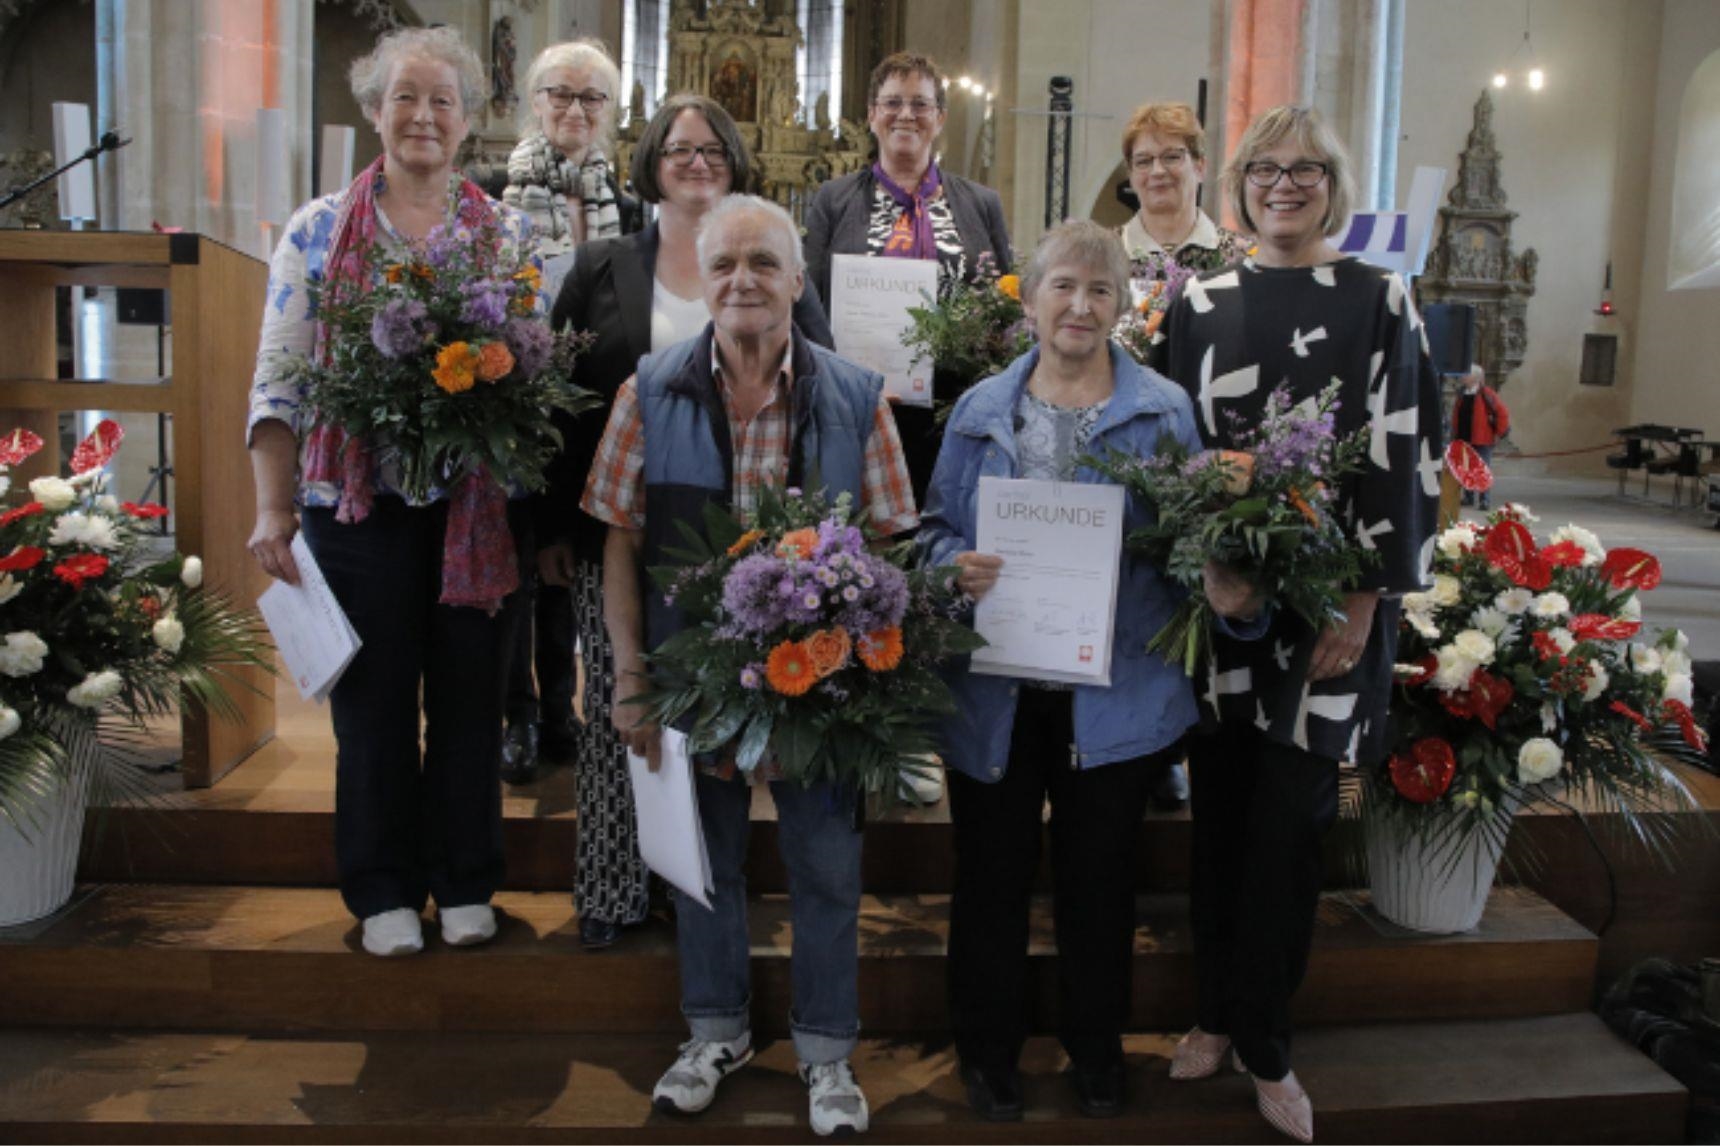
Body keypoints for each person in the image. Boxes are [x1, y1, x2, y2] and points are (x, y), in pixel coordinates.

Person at [581, 194, 917, 1137]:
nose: (743, 281)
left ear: (798, 281)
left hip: (826, 677)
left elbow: (891, 543)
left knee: (824, 862)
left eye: (764, 264)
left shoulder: (858, 395)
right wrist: (629, 672)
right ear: (701, 280)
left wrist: (871, 676)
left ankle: (825, 1050)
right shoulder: (647, 390)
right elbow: (619, 543)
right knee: (705, 863)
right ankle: (716, 1032)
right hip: (692, 672)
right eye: (723, 264)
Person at [918, 221, 1264, 1123]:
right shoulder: (979, 410)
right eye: (1063, 287)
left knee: (1099, 879)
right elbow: (934, 531)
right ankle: (988, 1052)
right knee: (989, 878)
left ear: (1124, 306)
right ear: (1029, 300)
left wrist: (1235, 592)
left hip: (1114, 693)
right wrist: (949, 570)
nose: (1080, 307)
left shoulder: (1164, 408)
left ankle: (1095, 1049)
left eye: (1101, 291)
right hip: (997, 689)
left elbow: (1192, 538)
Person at [1156, 106, 1442, 1144]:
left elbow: (1402, 448)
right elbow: (1175, 447)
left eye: (1306, 168)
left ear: (1333, 182)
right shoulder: (1203, 297)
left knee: (1287, 832)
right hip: (1222, 609)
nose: (1284, 184)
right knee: (1219, 821)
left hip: (1326, 616)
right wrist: (1206, 575)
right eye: (1265, 168)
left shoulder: (1377, 296)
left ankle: (1268, 1042)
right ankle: (1211, 1013)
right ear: (1237, 181)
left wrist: (1364, 602)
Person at [246, 27, 534, 958]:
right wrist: (273, 507)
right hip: (355, 507)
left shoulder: (506, 230)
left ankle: (463, 881)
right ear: (374, 110)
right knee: (371, 706)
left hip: (473, 512)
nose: (423, 115)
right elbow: (280, 377)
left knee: (467, 702)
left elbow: (528, 374)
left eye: (443, 100)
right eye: (405, 97)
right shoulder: (318, 229)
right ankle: (379, 888)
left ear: (466, 120)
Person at [539, 93, 833, 950]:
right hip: (625, 525)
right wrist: (554, 527)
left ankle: (691, 882)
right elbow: (557, 402)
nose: (696, 161)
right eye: (678, 149)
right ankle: (611, 885)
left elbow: (821, 376)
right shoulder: (602, 265)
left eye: (712, 149)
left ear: (735, 161)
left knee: (709, 721)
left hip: (750, 537)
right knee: (623, 711)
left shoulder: (770, 258)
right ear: (651, 162)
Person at [803, 51, 1009, 807]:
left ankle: (923, 724)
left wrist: (977, 347)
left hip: (954, 415)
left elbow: (1006, 298)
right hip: (864, 409)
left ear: (939, 118)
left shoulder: (979, 202)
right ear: (871, 113)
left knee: (940, 559)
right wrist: (846, 376)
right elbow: (810, 303)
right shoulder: (833, 199)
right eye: (893, 102)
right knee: (867, 558)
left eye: (921, 104)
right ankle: (864, 709)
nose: (906, 116)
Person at [498, 38, 638, 787]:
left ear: (610, 113)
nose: (574, 110)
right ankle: (515, 714)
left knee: (570, 567)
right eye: (559, 94)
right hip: (511, 410)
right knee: (515, 572)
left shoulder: (631, 205)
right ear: (534, 101)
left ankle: (562, 707)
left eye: (591, 98)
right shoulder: (493, 191)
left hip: (594, 420)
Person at [1118, 101, 1252, 300]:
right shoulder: (1106, 254)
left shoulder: (1240, 257)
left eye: (1171, 157)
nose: (1157, 171)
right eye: (1143, 161)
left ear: (1200, 167)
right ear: (1131, 176)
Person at [1451, 363, 1509, 509]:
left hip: (1482, 438)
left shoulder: (1487, 394)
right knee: (1467, 469)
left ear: (1475, 377)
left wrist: (1499, 433)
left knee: (1482, 469)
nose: (1463, 377)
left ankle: (1485, 500)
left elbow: (1502, 414)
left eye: (1466, 374)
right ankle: (1468, 496)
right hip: (1464, 437)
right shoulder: (1462, 394)